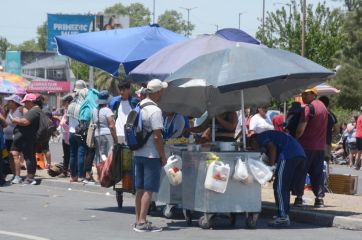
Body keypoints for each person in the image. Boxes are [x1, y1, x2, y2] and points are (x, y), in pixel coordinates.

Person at [133, 79, 168, 232]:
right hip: (151, 155)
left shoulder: (139, 105)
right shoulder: (155, 111)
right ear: (158, 92)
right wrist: (163, 155)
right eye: (162, 91)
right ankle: (142, 222)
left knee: (140, 188)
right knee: (149, 189)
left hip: (138, 152)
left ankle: (137, 220)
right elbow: (157, 137)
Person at [251, 130, 306, 227]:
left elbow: (272, 148)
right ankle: (284, 213)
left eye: (251, 146)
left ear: (253, 140)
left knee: (279, 186)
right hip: (300, 154)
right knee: (285, 186)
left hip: (289, 155)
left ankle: (283, 216)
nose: (253, 149)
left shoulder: (260, 137)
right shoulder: (273, 135)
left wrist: (271, 168)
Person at [294, 88, 328, 208]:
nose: (303, 96)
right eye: (302, 94)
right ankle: (319, 199)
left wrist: (295, 138)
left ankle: (298, 198)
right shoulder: (323, 107)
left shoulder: (308, 108)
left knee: (301, 172)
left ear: (313, 94)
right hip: (319, 147)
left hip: (306, 146)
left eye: (306, 94)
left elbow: (300, 130)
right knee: (317, 173)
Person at [11, 94, 43, 185]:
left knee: (29, 157)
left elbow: (25, 122)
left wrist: (16, 120)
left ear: (31, 102)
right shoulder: (33, 110)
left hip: (27, 137)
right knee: (20, 155)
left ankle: (30, 178)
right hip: (23, 137)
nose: (24, 104)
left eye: (26, 102)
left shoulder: (34, 111)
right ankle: (21, 177)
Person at [67, 80, 88, 182]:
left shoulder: (71, 103)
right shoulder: (83, 105)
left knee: (72, 154)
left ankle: (73, 176)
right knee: (81, 154)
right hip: (80, 132)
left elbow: (67, 120)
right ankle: (80, 176)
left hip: (71, 132)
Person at [3, 95, 25, 184]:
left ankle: (18, 176)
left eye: (10, 101)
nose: (8, 103)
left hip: (15, 137)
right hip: (7, 137)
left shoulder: (20, 110)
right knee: (10, 156)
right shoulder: (9, 111)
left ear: (15, 102)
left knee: (15, 155)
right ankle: (14, 174)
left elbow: (22, 121)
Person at [92, 90, 118, 165]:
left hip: (97, 135)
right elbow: (111, 126)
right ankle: (107, 174)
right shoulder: (107, 110)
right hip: (107, 135)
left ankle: (100, 173)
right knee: (109, 156)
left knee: (99, 156)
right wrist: (116, 139)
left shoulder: (94, 110)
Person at [110, 81, 138, 145]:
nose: (121, 92)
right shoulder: (116, 102)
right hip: (118, 133)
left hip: (130, 134)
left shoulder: (134, 101)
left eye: (123, 90)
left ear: (128, 89)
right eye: (120, 90)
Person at [54, 94, 73, 177]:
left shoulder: (70, 111)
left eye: (63, 102)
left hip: (70, 136)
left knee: (71, 154)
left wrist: (60, 119)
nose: (62, 104)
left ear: (68, 102)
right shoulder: (65, 110)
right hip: (65, 136)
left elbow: (68, 122)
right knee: (66, 155)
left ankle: (71, 171)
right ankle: (65, 171)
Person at [319, 96, 338, 164]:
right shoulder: (331, 115)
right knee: (325, 161)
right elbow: (337, 129)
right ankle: (325, 174)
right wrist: (331, 133)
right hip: (327, 141)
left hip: (316, 142)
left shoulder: (317, 113)